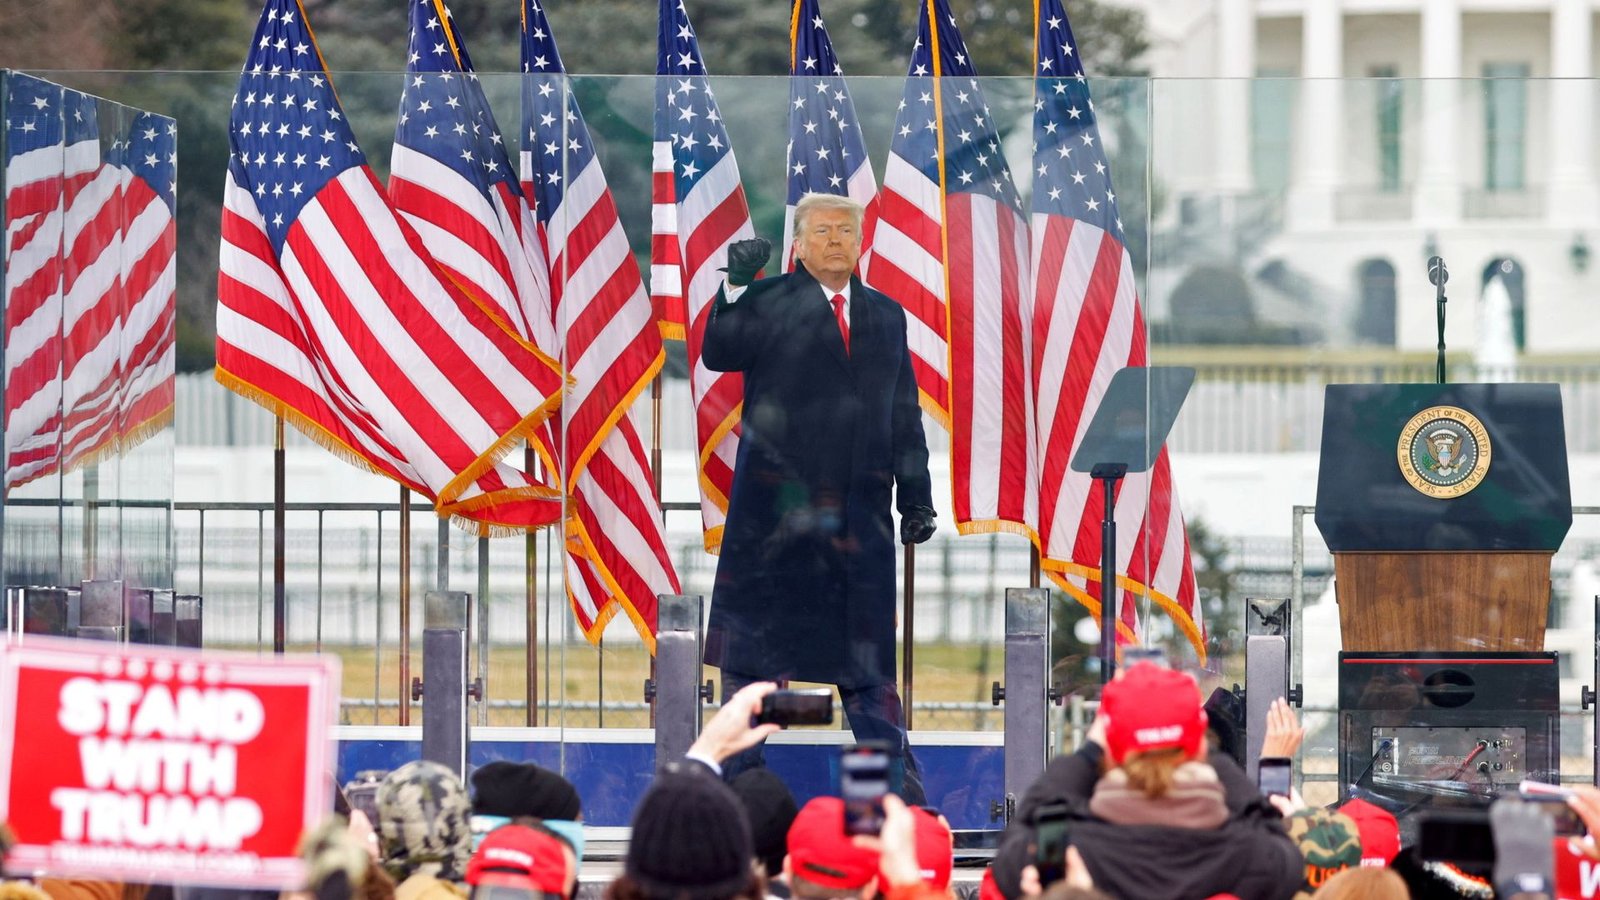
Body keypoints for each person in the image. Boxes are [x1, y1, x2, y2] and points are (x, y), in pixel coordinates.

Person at [701, 192, 936, 803]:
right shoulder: (769, 300)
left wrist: (916, 497)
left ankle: (894, 805)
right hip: (776, 525)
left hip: (859, 525)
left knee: (868, 675)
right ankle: (738, 802)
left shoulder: (886, 314)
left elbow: (903, 412)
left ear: (860, 242)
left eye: (846, 231)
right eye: (823, 231)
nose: (836, 240)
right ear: (799, 245)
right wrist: (736, 284)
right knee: (758, 675)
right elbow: (719, 351)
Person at [991, 663, 1303, 900]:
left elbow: (1016, 843)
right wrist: (1202, 745)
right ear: (1200, 746)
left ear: (1107, 746)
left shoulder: (1058, 853)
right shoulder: (1250, 855)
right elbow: (1275, 834)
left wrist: (1087, 754)